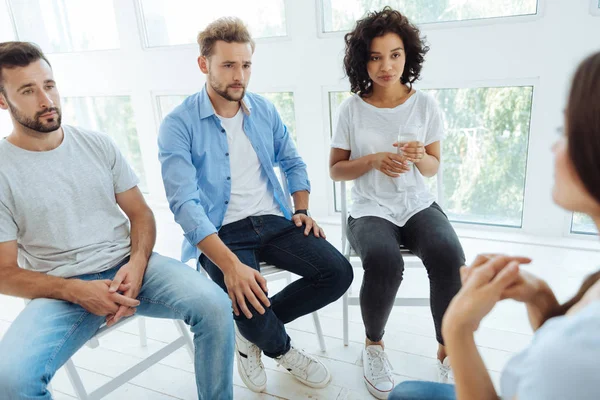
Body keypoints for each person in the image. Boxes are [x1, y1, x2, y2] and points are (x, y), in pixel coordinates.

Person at [0, 41, 234, 400]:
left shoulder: (97, 144)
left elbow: (141, 214)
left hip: (129, 267)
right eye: (27, 91)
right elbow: (5, 272)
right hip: (61, 289)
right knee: (11, 382)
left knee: (216, 307)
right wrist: (75, 291)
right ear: (3, 101)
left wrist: (138, 265)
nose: (46, 100)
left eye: (49, 85)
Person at [157, 17, 353, 393]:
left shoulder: (264, 111)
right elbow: (185, 205)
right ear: (204, 64)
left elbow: (293, 162)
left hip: (273, 221)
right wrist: (229, 266)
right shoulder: (178, 125)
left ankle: (251, 334)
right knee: (246, 295)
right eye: (228, 65)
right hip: (221, 233)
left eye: (245, 65)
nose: (239, 76)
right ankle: (282, 348)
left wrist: (302, 210)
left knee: (338, 272)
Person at [390, 50, 600, 400]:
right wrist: (541, 297)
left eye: (566, 130)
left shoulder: (581, 352)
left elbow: (432, 165)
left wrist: (457, 331)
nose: (553, 146)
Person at [329, 7, 465, 399]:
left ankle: (447, 350)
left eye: (394, 54)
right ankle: (374, 347)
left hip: (417, 203)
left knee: (448, 256)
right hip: (370, 208)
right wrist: (371, 160)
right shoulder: (351, 109)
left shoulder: (425, 106)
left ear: (408, 56)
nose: (386, 65)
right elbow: (336, 170)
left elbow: (432, 167)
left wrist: (419, 154)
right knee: (384, 261)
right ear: (362, 61)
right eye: (375, 56)